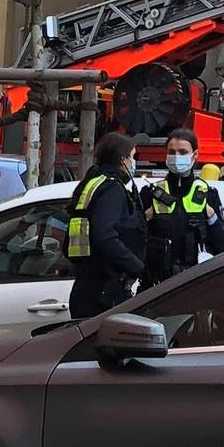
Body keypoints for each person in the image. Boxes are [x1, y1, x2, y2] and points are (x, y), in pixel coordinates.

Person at [64, 132, 147, 319]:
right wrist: (138, 268)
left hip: (86, 286)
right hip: (105, 290)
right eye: (133, 157)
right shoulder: (112, 188)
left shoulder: (93, 184)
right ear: (122, 160)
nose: (134, 163)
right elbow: (105, 235)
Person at [141, 131, 224, 287]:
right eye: (171, 152)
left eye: (183, 152)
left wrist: (211, 219)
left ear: (195, 155)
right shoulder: (150, 193)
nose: (176, 157)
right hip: (155, 285)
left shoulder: (207, 194)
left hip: (193, 284)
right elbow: (133, 242)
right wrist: (144, 220)